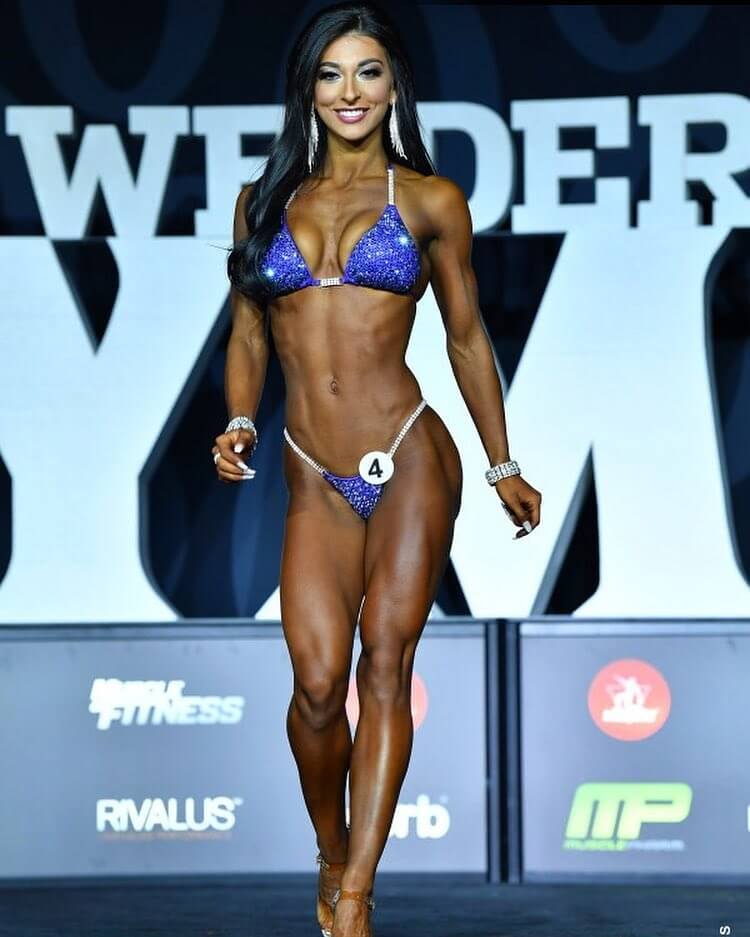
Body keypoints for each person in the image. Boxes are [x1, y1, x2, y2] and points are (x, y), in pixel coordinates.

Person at [213, 3, 541, 935]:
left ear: (394, 84)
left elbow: (467, 339)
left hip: (407, 455)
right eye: (330, 74)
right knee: (316, 688)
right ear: (307, 89)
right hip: (312, 468)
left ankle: (355, 896)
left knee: (384, 665)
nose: (348, 93)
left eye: (367, 73)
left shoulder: (429, 201)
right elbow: (245, 330)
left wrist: (501, 462)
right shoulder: (265, 200)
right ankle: (331, 850)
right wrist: (239, 417)